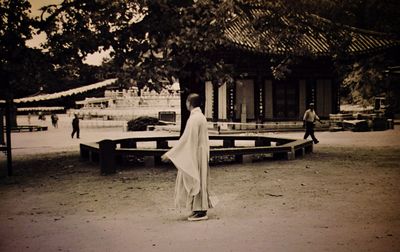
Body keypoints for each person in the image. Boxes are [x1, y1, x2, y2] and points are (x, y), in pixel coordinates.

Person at [161, 93, 217, 221]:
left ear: (189, 103)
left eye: (187, 102)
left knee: (196, 178)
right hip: (200, 152)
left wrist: (170, 154)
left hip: (197, 153)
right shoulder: (200, 117)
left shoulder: (194, 119)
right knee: (200, 179)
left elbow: (186, 140)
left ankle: (201, 210)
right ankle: (199, 208)